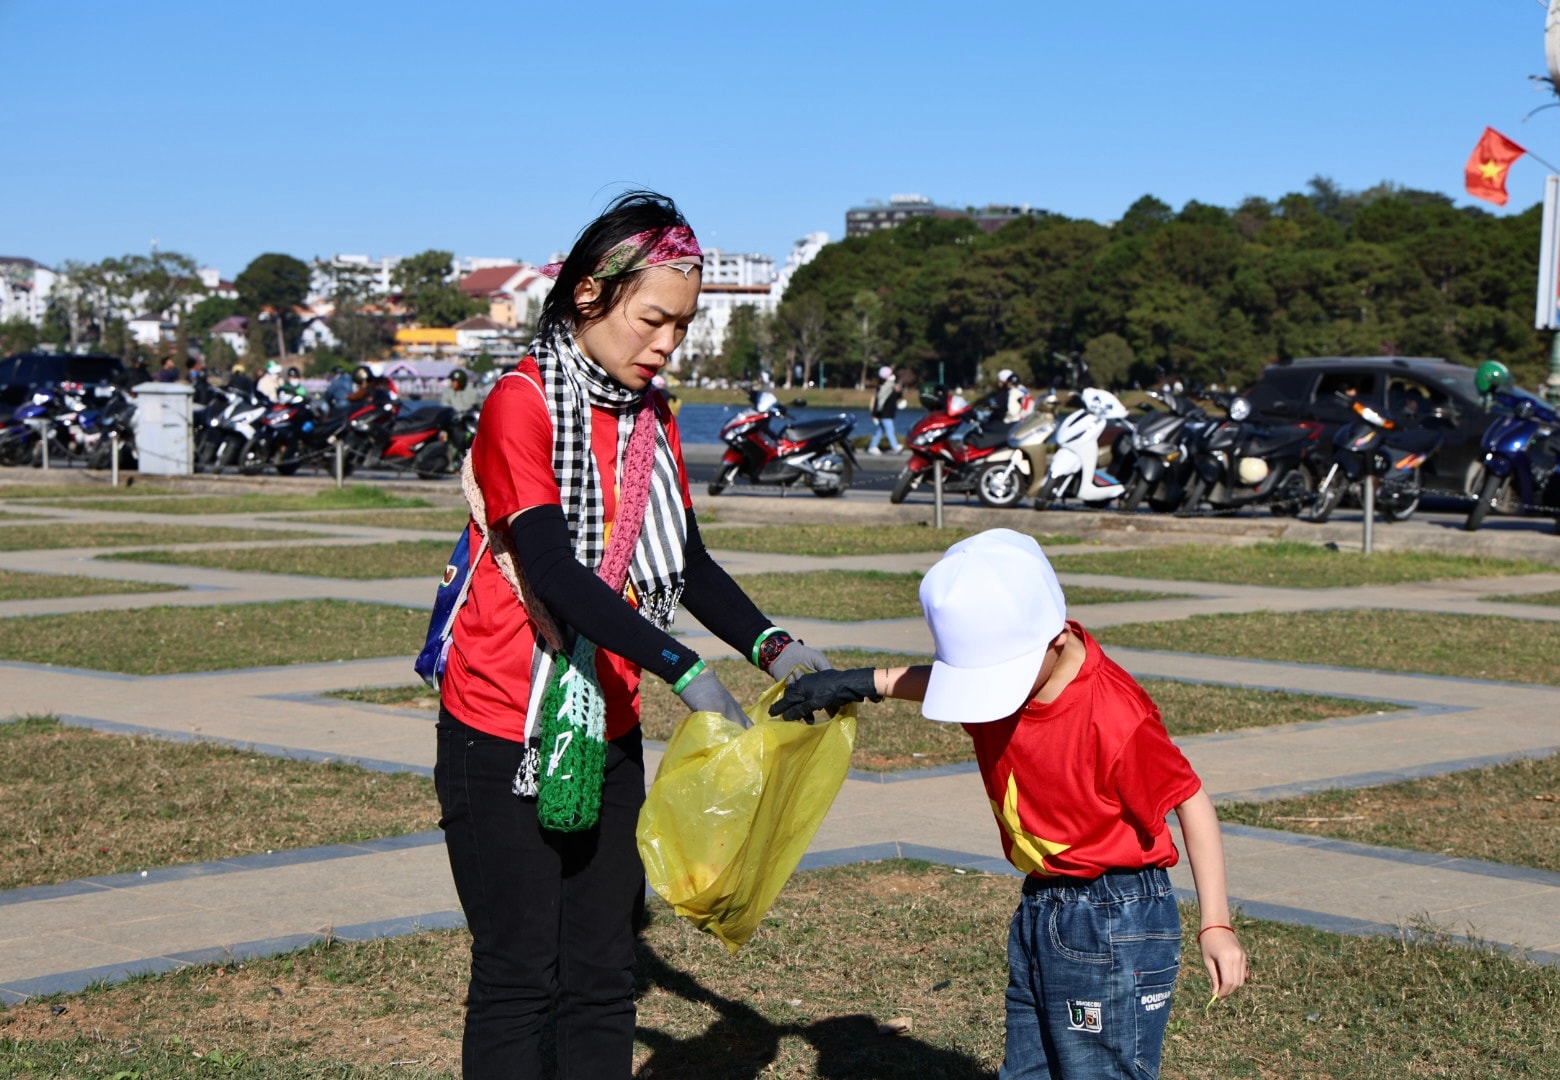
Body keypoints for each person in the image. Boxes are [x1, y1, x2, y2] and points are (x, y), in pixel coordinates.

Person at [434, 190, 833, 1079]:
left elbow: (683, 560)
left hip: (606, 725)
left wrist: (771, 644)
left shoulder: (649, 415)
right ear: (589, 294)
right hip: (504, 726)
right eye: (654, 319)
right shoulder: (522, 404)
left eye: (681, 326)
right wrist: (684, 669)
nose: (666, 344)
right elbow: (553, 570)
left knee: (604, 971)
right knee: (519, 974)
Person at [771, 528, 1248, 1079]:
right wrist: (860, 682)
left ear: (1055, 640)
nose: (990, 694)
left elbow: (1191, 800)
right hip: (1043, 904)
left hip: (1116, 916)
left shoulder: (1115, 716)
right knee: (1027, 1068)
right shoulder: (1008, 682)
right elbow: (941, 680)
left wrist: (1216, 924)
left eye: (998, 676)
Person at [868, 365, 904, 454]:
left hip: (889, 413)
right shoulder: (882, 388)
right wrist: (874, 414)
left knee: (880, 430)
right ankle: (895, 447)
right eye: (890, 374)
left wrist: (899, 391)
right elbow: (877, 401)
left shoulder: (893, 386)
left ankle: (872, 446)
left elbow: (897, 397)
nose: (892, 375)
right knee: (890, 430)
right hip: (884, 413)